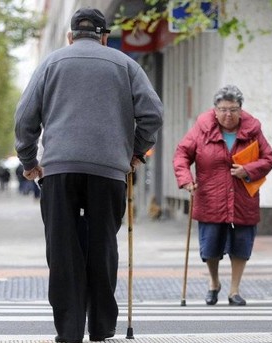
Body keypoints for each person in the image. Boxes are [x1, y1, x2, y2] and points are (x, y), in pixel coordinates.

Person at [14, 7, 163, 343]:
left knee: (63, 249)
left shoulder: (51, 63)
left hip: (60, 169)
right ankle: (101, 326)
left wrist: (28, 160)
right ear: (104, 36)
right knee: (103, 244)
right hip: (109, 170)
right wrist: (135, 152)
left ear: (70, 36)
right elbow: (152, 113)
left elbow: (24, 117)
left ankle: (68, 331)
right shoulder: (125, 65)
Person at [173, 85, 272, 307]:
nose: (228, 114)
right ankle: (214, 282)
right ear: (215, 110)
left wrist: (247, 171)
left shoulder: (253, 130)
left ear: (241, 110)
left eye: (234, 109)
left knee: (241, 244)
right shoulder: (202, 129)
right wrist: (186, 180)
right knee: (210, 246)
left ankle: (234, 290)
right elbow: (181, 154)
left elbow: (269, 158)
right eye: (223, 109)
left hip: (243, 198)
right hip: (210, 197)